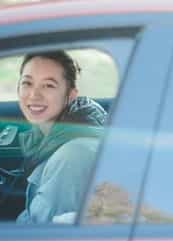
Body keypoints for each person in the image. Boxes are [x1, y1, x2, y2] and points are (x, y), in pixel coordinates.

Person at [15, 50, 107, 224]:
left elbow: (46, 233)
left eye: (48, 85)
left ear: (70, 95)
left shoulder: (73, 155)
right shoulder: (46, 135)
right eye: (27, 83)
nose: (34, 95)